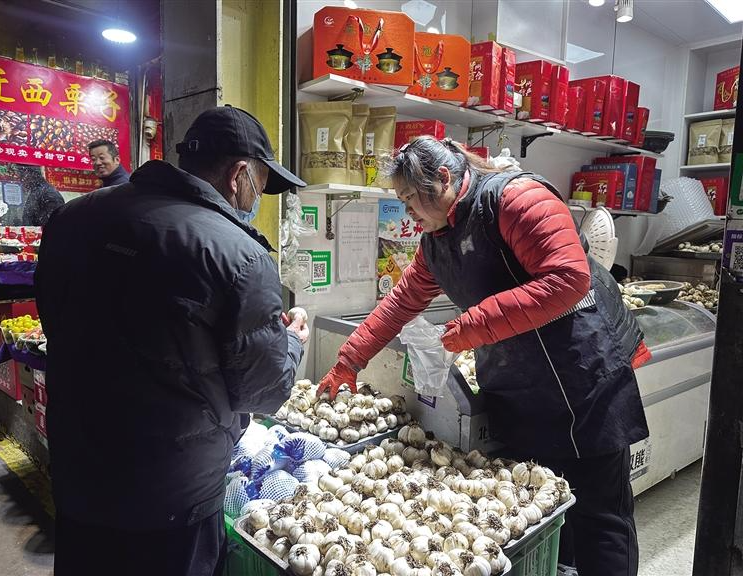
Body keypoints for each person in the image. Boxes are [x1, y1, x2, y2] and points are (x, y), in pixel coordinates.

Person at [317, 137, 650, 576]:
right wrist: (349, 360)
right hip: (524, 382)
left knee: (599, 515)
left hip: (583, 373)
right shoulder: (436, 240)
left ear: (443, 179)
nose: (408, 211)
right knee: (546, 506)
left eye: (411, 198)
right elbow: (401, 302)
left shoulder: (515, 198)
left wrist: (474, 325)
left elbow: (569, 278)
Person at [36, 105, 308, 576]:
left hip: (80, 473)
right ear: (239, 175)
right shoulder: (240, 256)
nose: (257, 198)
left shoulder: (73, 218)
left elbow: (51, 318)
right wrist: (293, 342)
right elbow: (261, 393)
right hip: (173, 499)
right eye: (261, 184)